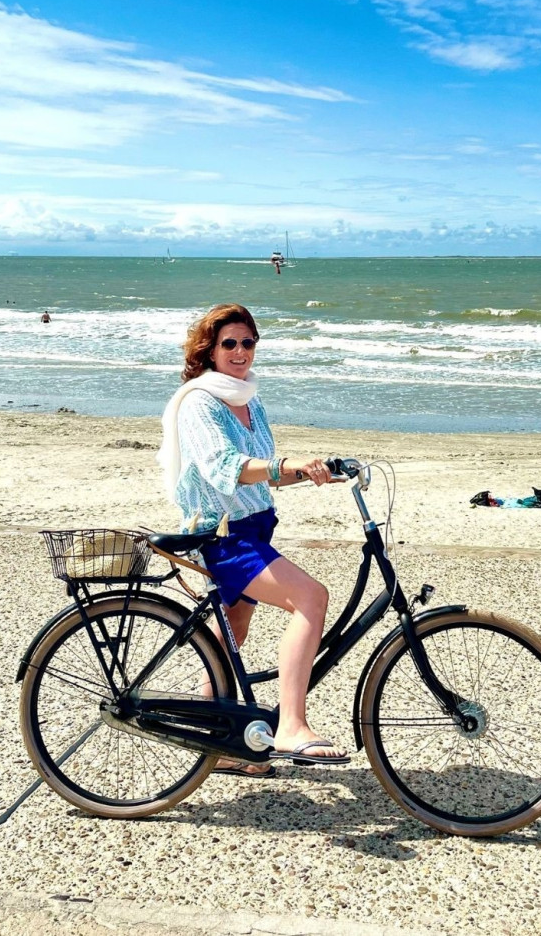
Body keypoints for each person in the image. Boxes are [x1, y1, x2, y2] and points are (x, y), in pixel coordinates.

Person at [158, 303, 348, 777]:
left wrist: (315, 471)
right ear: (209, 350)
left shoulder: (250, 399)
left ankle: (218, 742)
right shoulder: (201, 402)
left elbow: (262, 475)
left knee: (233, 632)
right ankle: (291, 727)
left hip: (256, 525)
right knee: (311, 598)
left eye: (248, 342)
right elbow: (224, 468)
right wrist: (288, 465)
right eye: (229, 344)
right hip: (224, 535)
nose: (240, 351)